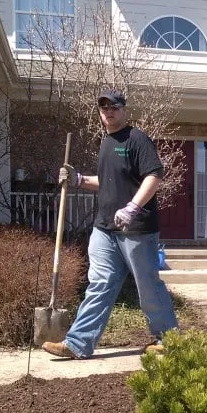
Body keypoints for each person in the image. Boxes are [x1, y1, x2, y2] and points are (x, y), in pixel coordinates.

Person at [41, 89, 178, 359]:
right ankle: (78, 343)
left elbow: (154, 175)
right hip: (104, 228)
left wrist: (133, 207)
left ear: (123, 109)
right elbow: (108, 182)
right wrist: (79, 179)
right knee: (99, 284)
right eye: (104, 108)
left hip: (136, 229)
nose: (109, 112)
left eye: (114, 107)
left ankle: (169, 339)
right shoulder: (106, 142)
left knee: (147, 285)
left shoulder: (136, 139)